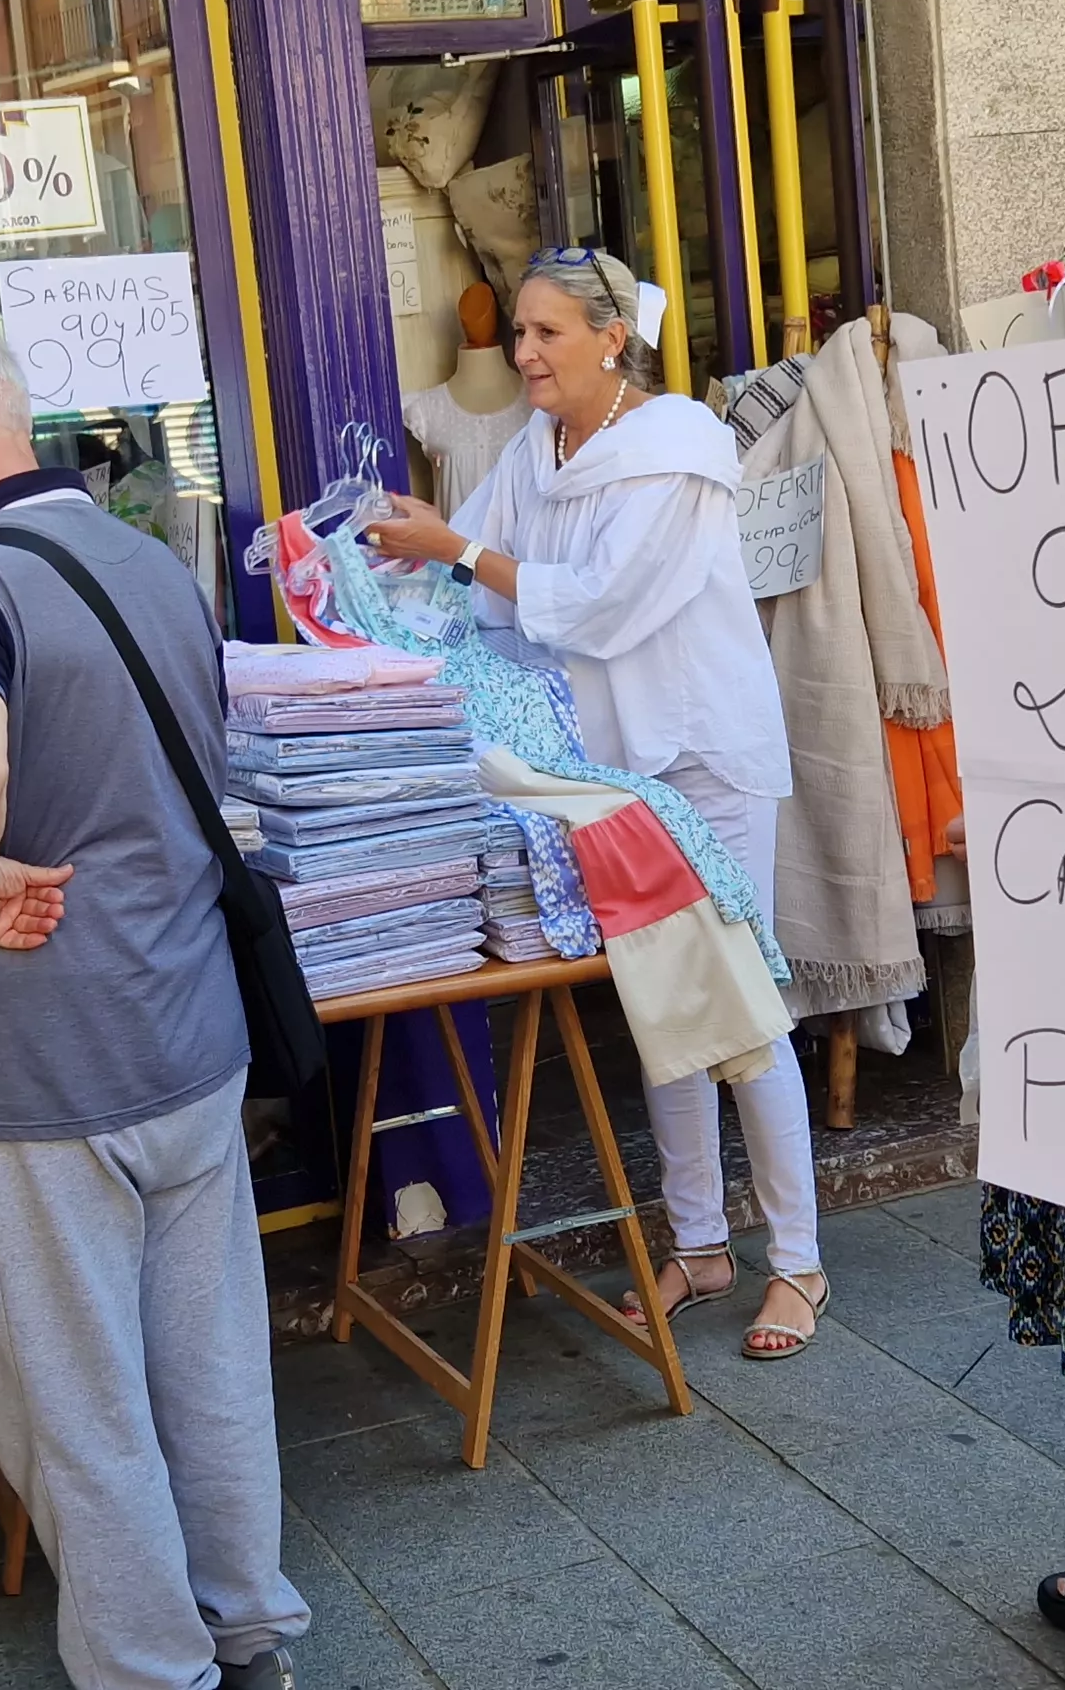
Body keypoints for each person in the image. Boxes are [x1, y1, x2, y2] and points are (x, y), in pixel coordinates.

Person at [0, 320, 310, 1690]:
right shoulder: (150, 561)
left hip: (51, 1072)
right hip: (192, 1037)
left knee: (81, 1407)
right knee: (214, 1366)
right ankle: (253, 1633)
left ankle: (145, 1669)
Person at [363, 248, 829, 1358]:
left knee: (743, 1014)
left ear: (610, 339)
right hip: (610, 776)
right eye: (519, 332)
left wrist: (459, 550)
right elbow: (466, 564)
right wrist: (390, 555)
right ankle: (701, 1242)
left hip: (703, 759)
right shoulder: (541, 446)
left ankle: (799, 1265)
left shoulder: (675, 453)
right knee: (660, 1010)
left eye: (545, 334)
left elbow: (601, 608)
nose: (522, 353)